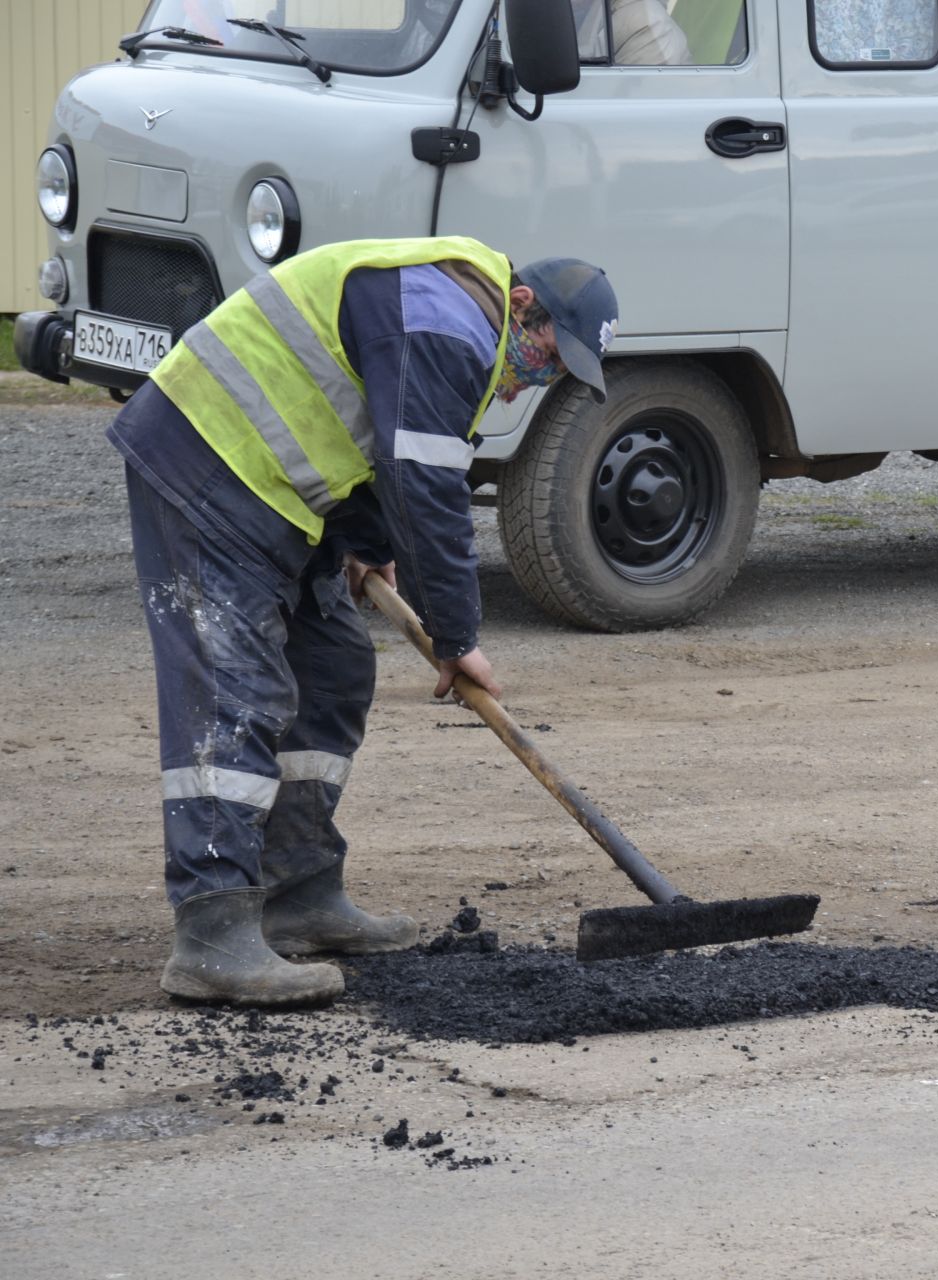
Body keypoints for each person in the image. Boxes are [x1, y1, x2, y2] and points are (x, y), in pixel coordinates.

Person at [109, 237, 619, 1007]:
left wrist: (366, 544)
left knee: (335, 669)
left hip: (282, 494)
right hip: (205, 463)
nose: (541, 380)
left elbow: (378, 442)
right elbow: (425, 488)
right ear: (522, 308)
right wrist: (458, 639)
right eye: (550, 357)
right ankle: (212, 930)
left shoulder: (457, 322)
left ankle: (297, 893)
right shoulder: (449, 326)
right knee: (234, 688)